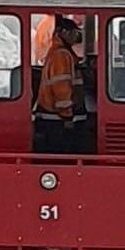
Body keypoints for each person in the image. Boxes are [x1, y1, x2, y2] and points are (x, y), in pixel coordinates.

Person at [34, 16, 86, 153]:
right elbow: (61, 89)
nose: (76, 36)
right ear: (64, 32)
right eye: (74, 32)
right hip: (56, 121)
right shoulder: (61, 55)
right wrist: (67, 116)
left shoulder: (62, 53)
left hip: (55, 119)